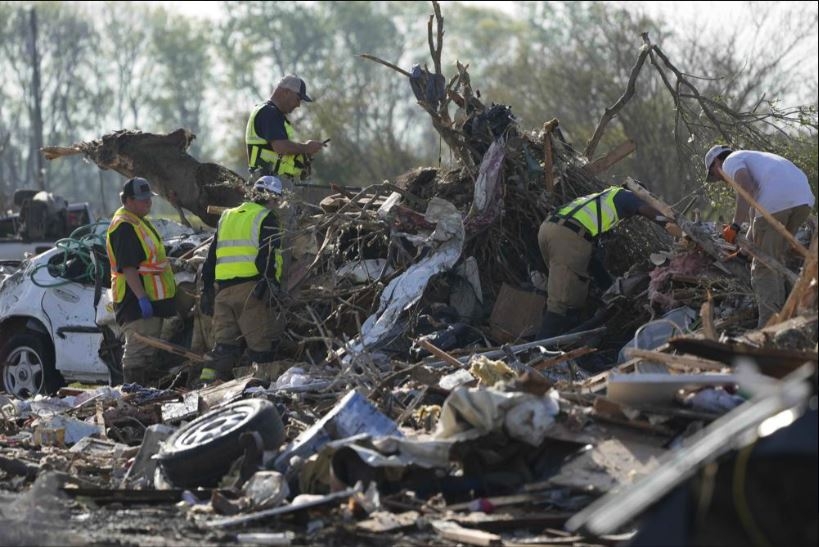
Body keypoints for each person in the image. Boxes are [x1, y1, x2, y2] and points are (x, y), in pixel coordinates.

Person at [536, 184, 680, 338]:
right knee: (562, 302)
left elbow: (592, 260)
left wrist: (608, 286)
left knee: (567, 292)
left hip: (548, 229)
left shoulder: (600, 200)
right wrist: (674, 228)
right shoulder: (627, 195)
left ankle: (555, 342)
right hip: (568, 237)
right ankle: (537, 353)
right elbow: (648, 211)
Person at [705, 145, 815, 326]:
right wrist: (745, 250)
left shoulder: (731, 161)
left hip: (776, 203)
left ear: (716, 163)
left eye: (714, 175)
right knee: (777, 258)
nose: (720, 179)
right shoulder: (757, 159)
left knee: (763, 267)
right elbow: (755, 215)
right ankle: (792, 318)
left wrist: (734, 226)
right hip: (803, 200)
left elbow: (745, 189)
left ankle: (769, 326)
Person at [198, 175, 286, 383]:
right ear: (273, 198)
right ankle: (262, 392)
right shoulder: (267, 217)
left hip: (223, 293)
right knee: (261, 349)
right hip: (251, 292)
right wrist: (269, 283)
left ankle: (207, 387)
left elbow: (212, 256)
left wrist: (207, 288)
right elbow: (269, 254)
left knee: (223, 348)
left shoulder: (227, 216)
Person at [105, 177, 177, 385]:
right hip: (135, 301)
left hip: (150, 300)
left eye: (149, 198)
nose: (148, 202)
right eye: (142, 199)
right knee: (137, 351)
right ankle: (133, 396)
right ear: (126, 200)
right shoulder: (124, 226)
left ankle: (145, 396)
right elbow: (128, 267)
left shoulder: (138, 221)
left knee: (148, 352)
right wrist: (142, 298)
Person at [245, 74, 325, 185]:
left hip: (268, 181)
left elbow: (280, 153)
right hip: (269, 184)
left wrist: (302, 157)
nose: (298, 105)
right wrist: (306, 147)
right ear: (286, 92)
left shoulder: (268, 112)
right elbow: (281, 147)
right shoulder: (269, 113)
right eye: (298, 99)